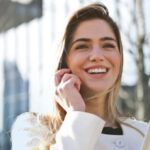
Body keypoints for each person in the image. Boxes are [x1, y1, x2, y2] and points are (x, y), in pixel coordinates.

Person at [11, 2, 149, 150]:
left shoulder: (144, 133)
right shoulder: (33, 131)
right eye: (82, 46)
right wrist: (76, 113)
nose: (97, 56)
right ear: (64, 62)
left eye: (108, 45)